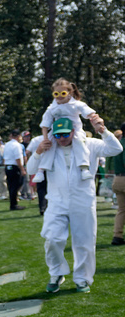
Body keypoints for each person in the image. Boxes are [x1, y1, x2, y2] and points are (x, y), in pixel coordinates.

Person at [27, 114, 122, 293]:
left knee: (84, 242)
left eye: (65, 134)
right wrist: (38, 151)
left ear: (73, 131)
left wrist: (103, 131)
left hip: (83, 201)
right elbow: (31, 170)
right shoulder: (49, 147)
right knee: (52, 239)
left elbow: (115, 149)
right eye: (58, 135)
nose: (62, 139)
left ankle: (82, 279)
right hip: (56, 202)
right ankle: (56, 273)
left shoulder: (89, 144)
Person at [34, 78, 99, 183]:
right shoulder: (52, 108)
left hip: (74, 130)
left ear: (70, 92)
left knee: (79, 142)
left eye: (63, 93)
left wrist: (96, 120)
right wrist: (45, 138)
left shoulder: (76, 104)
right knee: (48, 145)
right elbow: (45, 124)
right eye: (56, 93)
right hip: (58, 130)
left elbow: (88, 112)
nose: (59, 96)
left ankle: (84, 168)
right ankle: (41, 170)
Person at [4, 129, 27, 211]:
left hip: (7, 166)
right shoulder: (17, 145)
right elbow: (18, 158)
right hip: (14, 167)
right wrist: (22, 169)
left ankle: (13, 203)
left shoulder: (6, 144)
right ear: (18, 136)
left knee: (11, 186)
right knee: (16, 185)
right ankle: (13, 204)